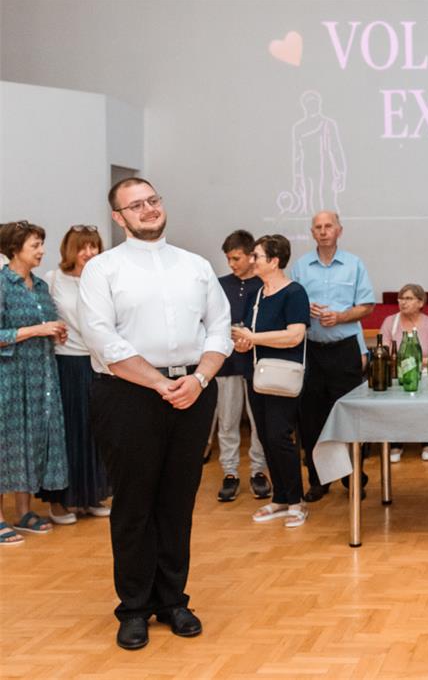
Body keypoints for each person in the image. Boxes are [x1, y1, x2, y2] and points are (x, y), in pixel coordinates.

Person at [79, 178, 232, 650]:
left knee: (177, 503)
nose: (148, 209)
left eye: (153, 201)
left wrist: (199, 379)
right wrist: (159, 383)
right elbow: (102, 338)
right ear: (118, 217)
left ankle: (172, 601)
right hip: (127, 395)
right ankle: (133, 608)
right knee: (134, 505)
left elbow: (220, 328)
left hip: (192, 391)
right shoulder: (102, 269)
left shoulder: (196, 266)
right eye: (136, 205)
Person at [292, 210, 374, 502]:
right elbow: (289, 306)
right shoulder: (300, 267)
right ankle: (318, 480)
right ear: (312, 233)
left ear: (339, 230)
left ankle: (353, 477)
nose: (323, 231)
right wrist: (305, 310)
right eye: (318, 227)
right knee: (311, 419)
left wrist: (340, 317)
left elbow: (367, 306)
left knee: (350, 416)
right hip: (312, 351)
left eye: (329, 226)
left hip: (344, 350)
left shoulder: (354, 265)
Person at [230, 235, 310, 528]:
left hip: (283, 376)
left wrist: (254, 338)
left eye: (257, 256)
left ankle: (296, 501)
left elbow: (294, 335)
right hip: (257, 375)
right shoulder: (256, 295)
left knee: (279, 437)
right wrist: (243, 342)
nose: (252, 261)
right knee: (264, 437)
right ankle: (280, 498)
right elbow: (250, 335)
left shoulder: (295, 293)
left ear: (274, 261)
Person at [0, 221, 69, 545]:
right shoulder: (2, 284)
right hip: (9, 378)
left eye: (42, 244)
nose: (42, 251)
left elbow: (45, 324)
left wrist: (55, 332)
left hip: (41, 374)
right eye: (35, 246)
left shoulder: (40, 286)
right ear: (15, 250)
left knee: (31, 441)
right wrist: (36, 330)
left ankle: (25, 512)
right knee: (6, 444)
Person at [42, 225, 111, 525]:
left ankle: (92, 495)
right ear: (70, 250)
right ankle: (60, 501)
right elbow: (43, 317)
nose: (89, 252)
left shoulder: (103, 279)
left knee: (96, 430)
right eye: (82, 247)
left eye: (94, 246)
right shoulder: (53, 279)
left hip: (99, 362)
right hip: (66, 363)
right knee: (67, 431)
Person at [213, 230, 270, 502]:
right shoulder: (219, 285)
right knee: (227, 420)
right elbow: (210, 320)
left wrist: (250, 338)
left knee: (259, 420)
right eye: (228, 259)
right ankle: (230, 472)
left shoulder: (264, 285)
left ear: (251, 256)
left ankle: (259, 470)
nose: (231, 264)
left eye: (236, 258)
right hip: (226, 363)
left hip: (258, 362)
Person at [378, 283, 428, 462]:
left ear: (420, 302)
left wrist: (411, 362)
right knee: (394, 402)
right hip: (396, 374)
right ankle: (396, 444)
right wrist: (413, 361)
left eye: (408, 298)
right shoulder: (390, 322)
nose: (403, 302)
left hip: (424, 373)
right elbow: (385, 351)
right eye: (400, 298)